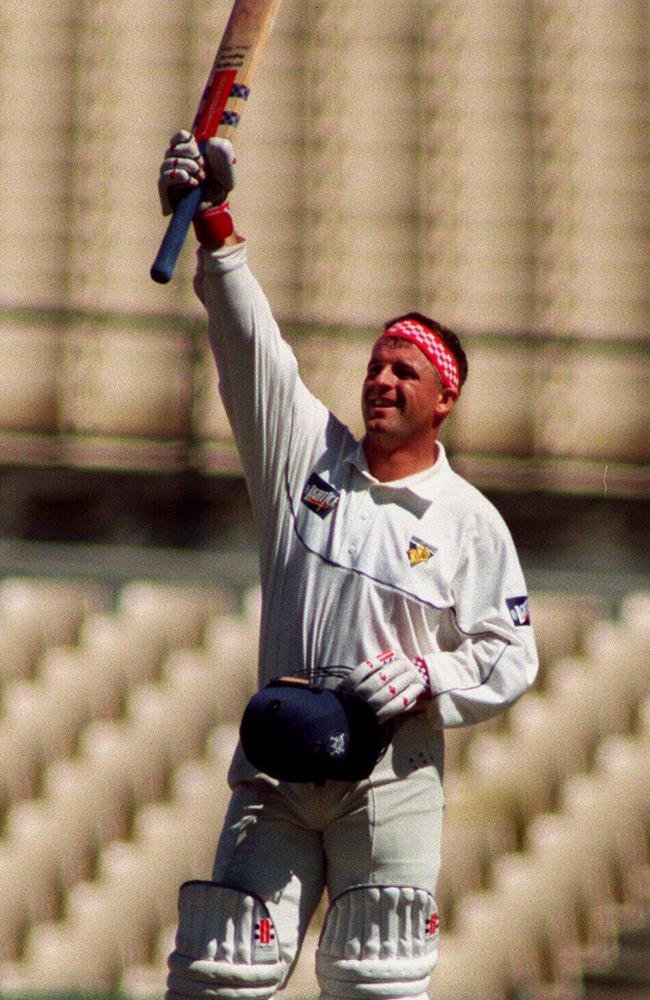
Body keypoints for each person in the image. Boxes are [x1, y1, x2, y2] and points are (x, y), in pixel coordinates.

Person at [157, 132, 538, 1000]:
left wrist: (428, 676)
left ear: (445, 400)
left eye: (405, 372)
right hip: (279, 771)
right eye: (374, 366)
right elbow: (252, 347)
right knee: (222, 970)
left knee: (380, 981)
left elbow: (512, 655)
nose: (381, 382)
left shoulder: (470, 522)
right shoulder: (306, 460)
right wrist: (215, 226)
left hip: (391, 778)